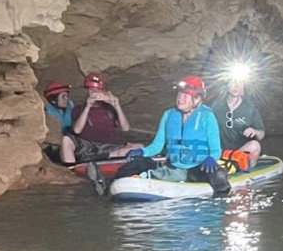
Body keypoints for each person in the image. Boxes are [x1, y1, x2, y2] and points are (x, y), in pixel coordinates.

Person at [97, 75, 231, 197]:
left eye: (185, 95)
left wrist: (211, 158)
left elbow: (216, 150)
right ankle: (107, 185)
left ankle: (221, 200)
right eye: (179, 94)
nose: (180, 98)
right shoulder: (169, 115)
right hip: (173, 166)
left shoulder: (207, 116)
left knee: (218, 174)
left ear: (197, 99)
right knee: (137, 162)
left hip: (197, 168)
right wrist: (142, 151)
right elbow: (157, 146)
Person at [212, 70, 268, 171]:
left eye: (240, 83)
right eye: (233, 82)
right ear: (226, 85)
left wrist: (254, 131)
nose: (236, 86)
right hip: (220, 152)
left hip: (240, 152)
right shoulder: (216, 105)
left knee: (255, 145)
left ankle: (242, 166)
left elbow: (261, 134)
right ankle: (225, 163)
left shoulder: (250, 108)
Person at [44, 81, 79, 164]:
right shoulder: (47, 112)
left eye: (67, 96)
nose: (67, 99)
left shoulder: (71, 107)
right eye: (63, 97)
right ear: (53, 100)